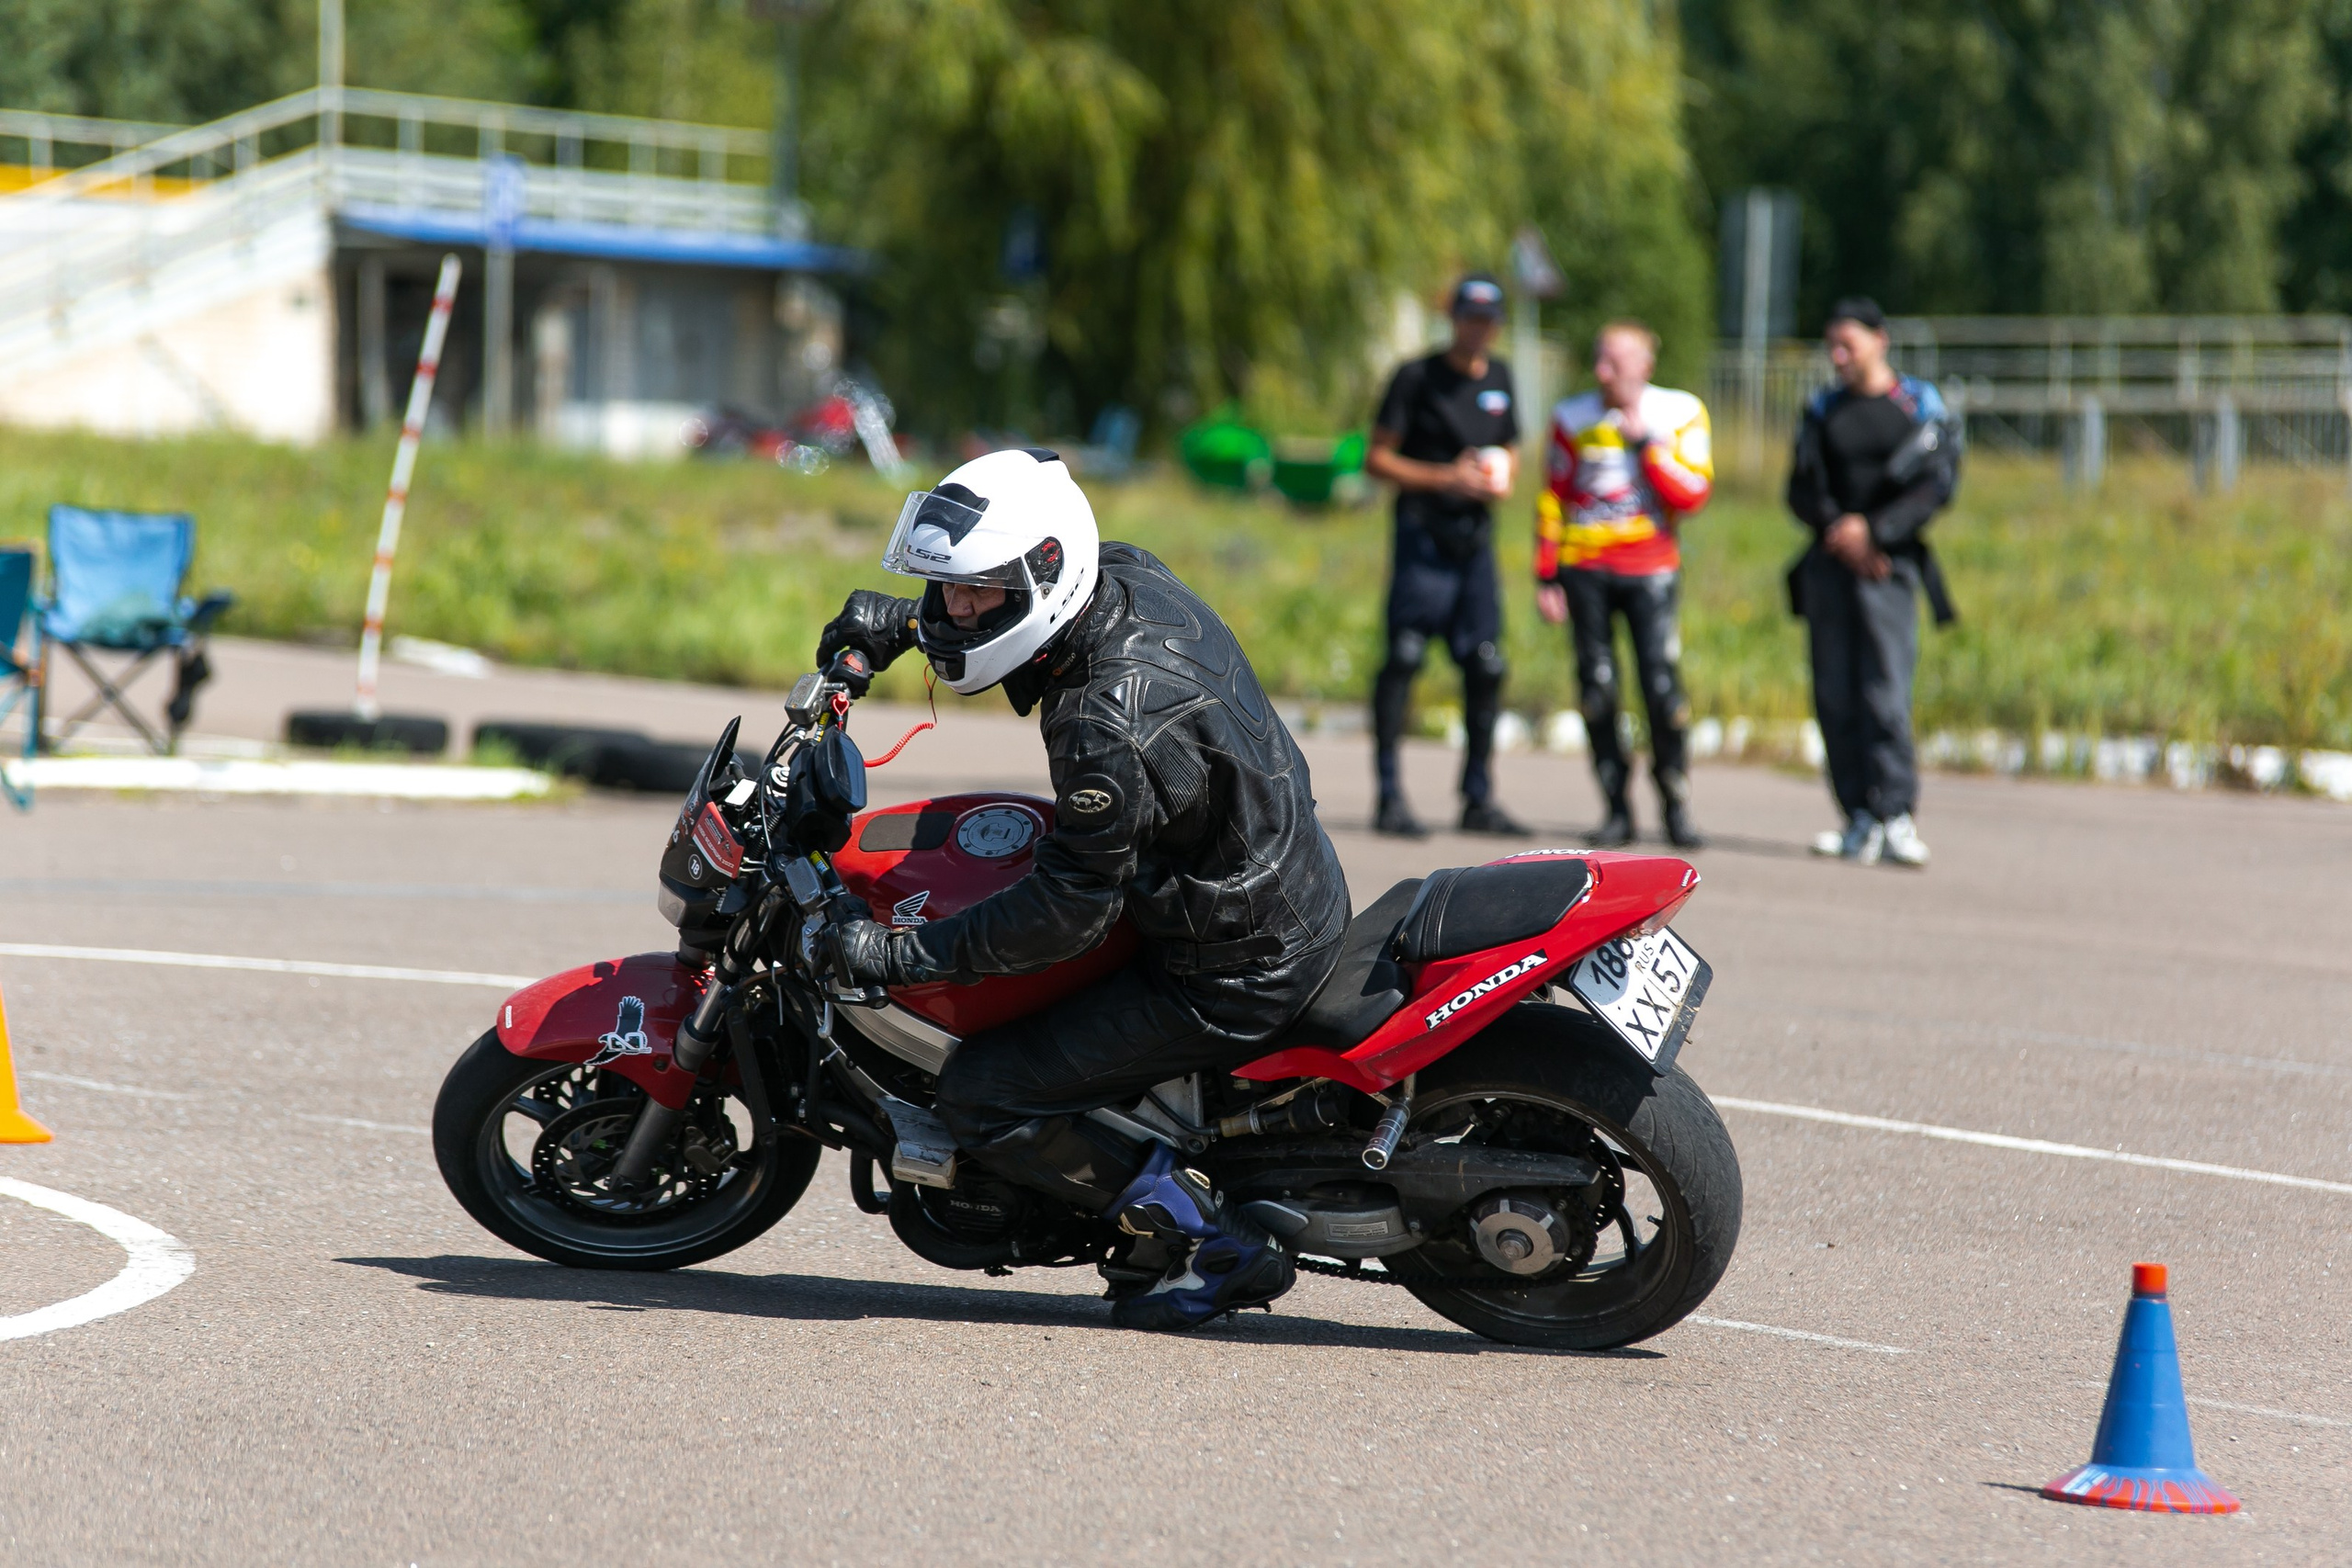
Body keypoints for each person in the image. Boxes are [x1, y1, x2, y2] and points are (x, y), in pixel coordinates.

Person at [814, 447, 1350, 1331]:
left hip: (1232, 965)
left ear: (1046, 573)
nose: (957, 609)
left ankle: (1211, 1244)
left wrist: (899, 952)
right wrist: (908, 623)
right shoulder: (1127, 574)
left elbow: (1068, 911)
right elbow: (1009, 609)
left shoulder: (1103, 718)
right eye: (950, 588)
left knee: (984, 1092)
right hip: (1265, 883)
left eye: (977, 591)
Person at [1784, 297, 1961, 868]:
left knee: (1885, 691)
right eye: (1831, 345)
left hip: (1890, 566)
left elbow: (1937, 485)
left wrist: (1876, 532)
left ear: (1880, 341)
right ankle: (1856, 815)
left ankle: (1896, 815)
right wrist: (1841, 530)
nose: (1837, 356)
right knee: (1834, 693)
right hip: (1833, 563)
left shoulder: (1918, 404)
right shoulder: (1822, 408)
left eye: (1848, 344)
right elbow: (1802, 488)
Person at [1362, 273, 1531, 839]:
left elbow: (1510, 443)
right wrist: (1444, 478)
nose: (1477, 329)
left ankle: (1477, 797)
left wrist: (1502, 474)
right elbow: (1377, 459)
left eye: (1487, 320)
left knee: (1487, 663)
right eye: (1468, 318)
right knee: (1405, 656)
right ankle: (1389, 795)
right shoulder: (1415, 378)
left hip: (1474, 543)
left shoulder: (1502, 377)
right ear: (1454, 319)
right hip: (1422, 537)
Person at [1534, 321, 1714, 848]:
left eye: (1613, 362)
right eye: (1597, 359)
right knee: (1598, 689)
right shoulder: (1571, 415)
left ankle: (1675, 803)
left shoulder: (1680, 411)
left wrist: (1647, 446)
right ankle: (1616, 808)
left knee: (1662, 691)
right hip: (1585, 569)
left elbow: (1694, 494)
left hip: (1651, 569)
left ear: (1644, 365)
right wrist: (1547, 573)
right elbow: (1553, 496)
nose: (1601, 372)